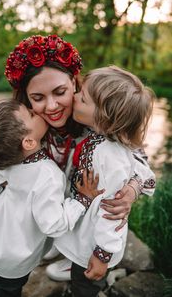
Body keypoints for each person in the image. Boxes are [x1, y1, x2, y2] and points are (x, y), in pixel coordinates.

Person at [4, 34, 156, 284]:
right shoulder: (29, 125)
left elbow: (137, 160)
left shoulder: (97, 118)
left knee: (87, 207)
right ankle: (57, 242)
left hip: (88, 204)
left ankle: (78, 256)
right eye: (38, 98)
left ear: (75, 83)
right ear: (26, 98)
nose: (51, 106)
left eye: (60, 92)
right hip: (57, 197)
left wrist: (131, 189)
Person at [0, 99, 102, 297]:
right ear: (29, 142)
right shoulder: (48, 175)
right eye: (31, 115)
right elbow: (53, 225)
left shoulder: (9, 161)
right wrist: (81, 201)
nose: (35, 110)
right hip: (15, 258)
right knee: (7, 291)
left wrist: (3, 171)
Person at [54, 66, 156, 297]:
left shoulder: (111, 157)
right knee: (80, 277)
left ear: (104, 117)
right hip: (86, 232)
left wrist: (102, 255)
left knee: (85, 286)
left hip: (94, 240)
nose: (74, 97)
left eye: (83, 98)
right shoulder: (100, 138)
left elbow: (112, 212)